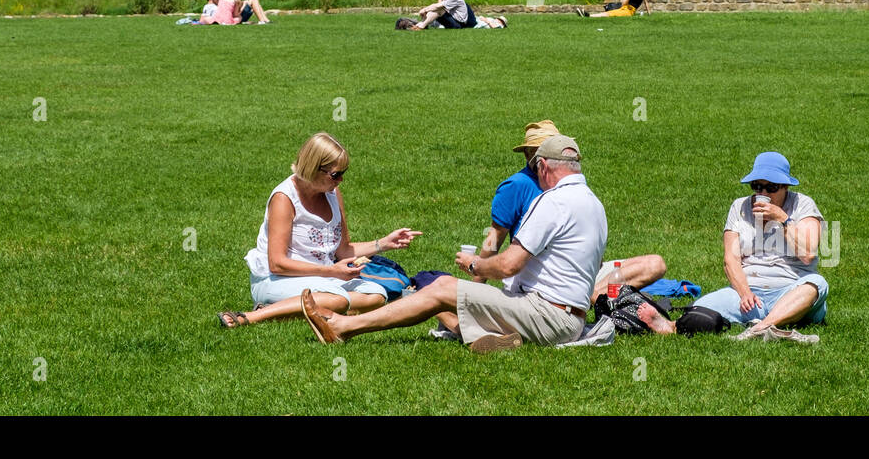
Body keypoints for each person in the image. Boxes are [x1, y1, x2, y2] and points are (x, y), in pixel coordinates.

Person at [301, 134, 608, 353]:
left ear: (542, 166)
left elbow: (505, 260)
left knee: (444, 288)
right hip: (570, 317)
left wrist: (474, 264)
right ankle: (484, 338)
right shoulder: (594, 204)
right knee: (450, 292)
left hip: (546, 314)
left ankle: (342, 327)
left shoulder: (551, 201)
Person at [427, 119, 665, 340]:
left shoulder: (568, 183)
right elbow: (493, 239)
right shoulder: (515, 186)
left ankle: (591, 296)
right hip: (537, 279)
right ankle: (593, 299)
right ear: (532, 154)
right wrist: (475, 284)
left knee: (654, 264)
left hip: (577, 272)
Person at [218, 132, 423, 328]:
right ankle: (254, 316)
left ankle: (297, 310)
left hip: (321, 278)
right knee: (339, 300)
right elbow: (277, 264)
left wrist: (384, 243)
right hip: (277, 279)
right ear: (314, 168)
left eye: (343, 173)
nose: (340, 180)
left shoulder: (332, 192)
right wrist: (331, 271)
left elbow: (343, 250)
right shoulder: (284, 198)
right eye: (336, 174)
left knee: (377, 295)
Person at [638, 151, 826, 344]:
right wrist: (744, 293)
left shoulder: (802, 205)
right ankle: (669, 326)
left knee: (817, 284)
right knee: (701, 308)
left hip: (792, 291)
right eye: (757, 186)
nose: (763, 194)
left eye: (771, 188)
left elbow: (808, 254)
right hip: (751, 294)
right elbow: (731, 259)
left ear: (785, 187)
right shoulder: (740, 207)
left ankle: (761, 326)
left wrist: (782, 218)